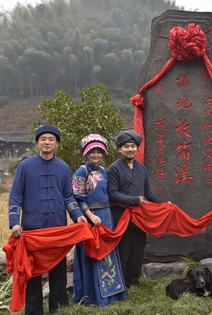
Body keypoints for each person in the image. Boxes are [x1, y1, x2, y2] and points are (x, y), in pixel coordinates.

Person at [8, 125, 86, 315]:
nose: (47, 142)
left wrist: (78, 216)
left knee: (58, 274)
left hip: (58, 230)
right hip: (32, 230)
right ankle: (34, 311)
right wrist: (14, 221)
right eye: (43, 139)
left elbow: (68, 196)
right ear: (37, 143)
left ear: (57, 144)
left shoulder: (63, 167)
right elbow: (16, 195)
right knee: (32, 274)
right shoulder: (25, 167)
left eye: (51, 139)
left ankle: (58, 310)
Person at [71, 134, 127, 306]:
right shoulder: (81, 172)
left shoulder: (103, 171)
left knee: (107, 252)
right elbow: (77, 198)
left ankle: (112, 293)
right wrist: (91, 216)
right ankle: (92, 295)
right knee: (93, 253)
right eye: (92, 152)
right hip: (91, 219)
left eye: (99, 152)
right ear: (86, 153)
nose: (96, 155)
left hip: (106, 217)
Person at [107, 130, 164, 287]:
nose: (130, 149)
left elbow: (147, 192)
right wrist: (134, 200)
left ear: (137, 148)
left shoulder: (141, 168)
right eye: (126, 146)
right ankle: (122, 281)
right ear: (119, 149)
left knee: (138, 249)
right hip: (121, 216)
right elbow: (112, 194)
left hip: (139, 217)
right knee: (123, 249)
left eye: (133, 146)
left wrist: (162, 204)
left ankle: (134, 279)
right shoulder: (114, 168)